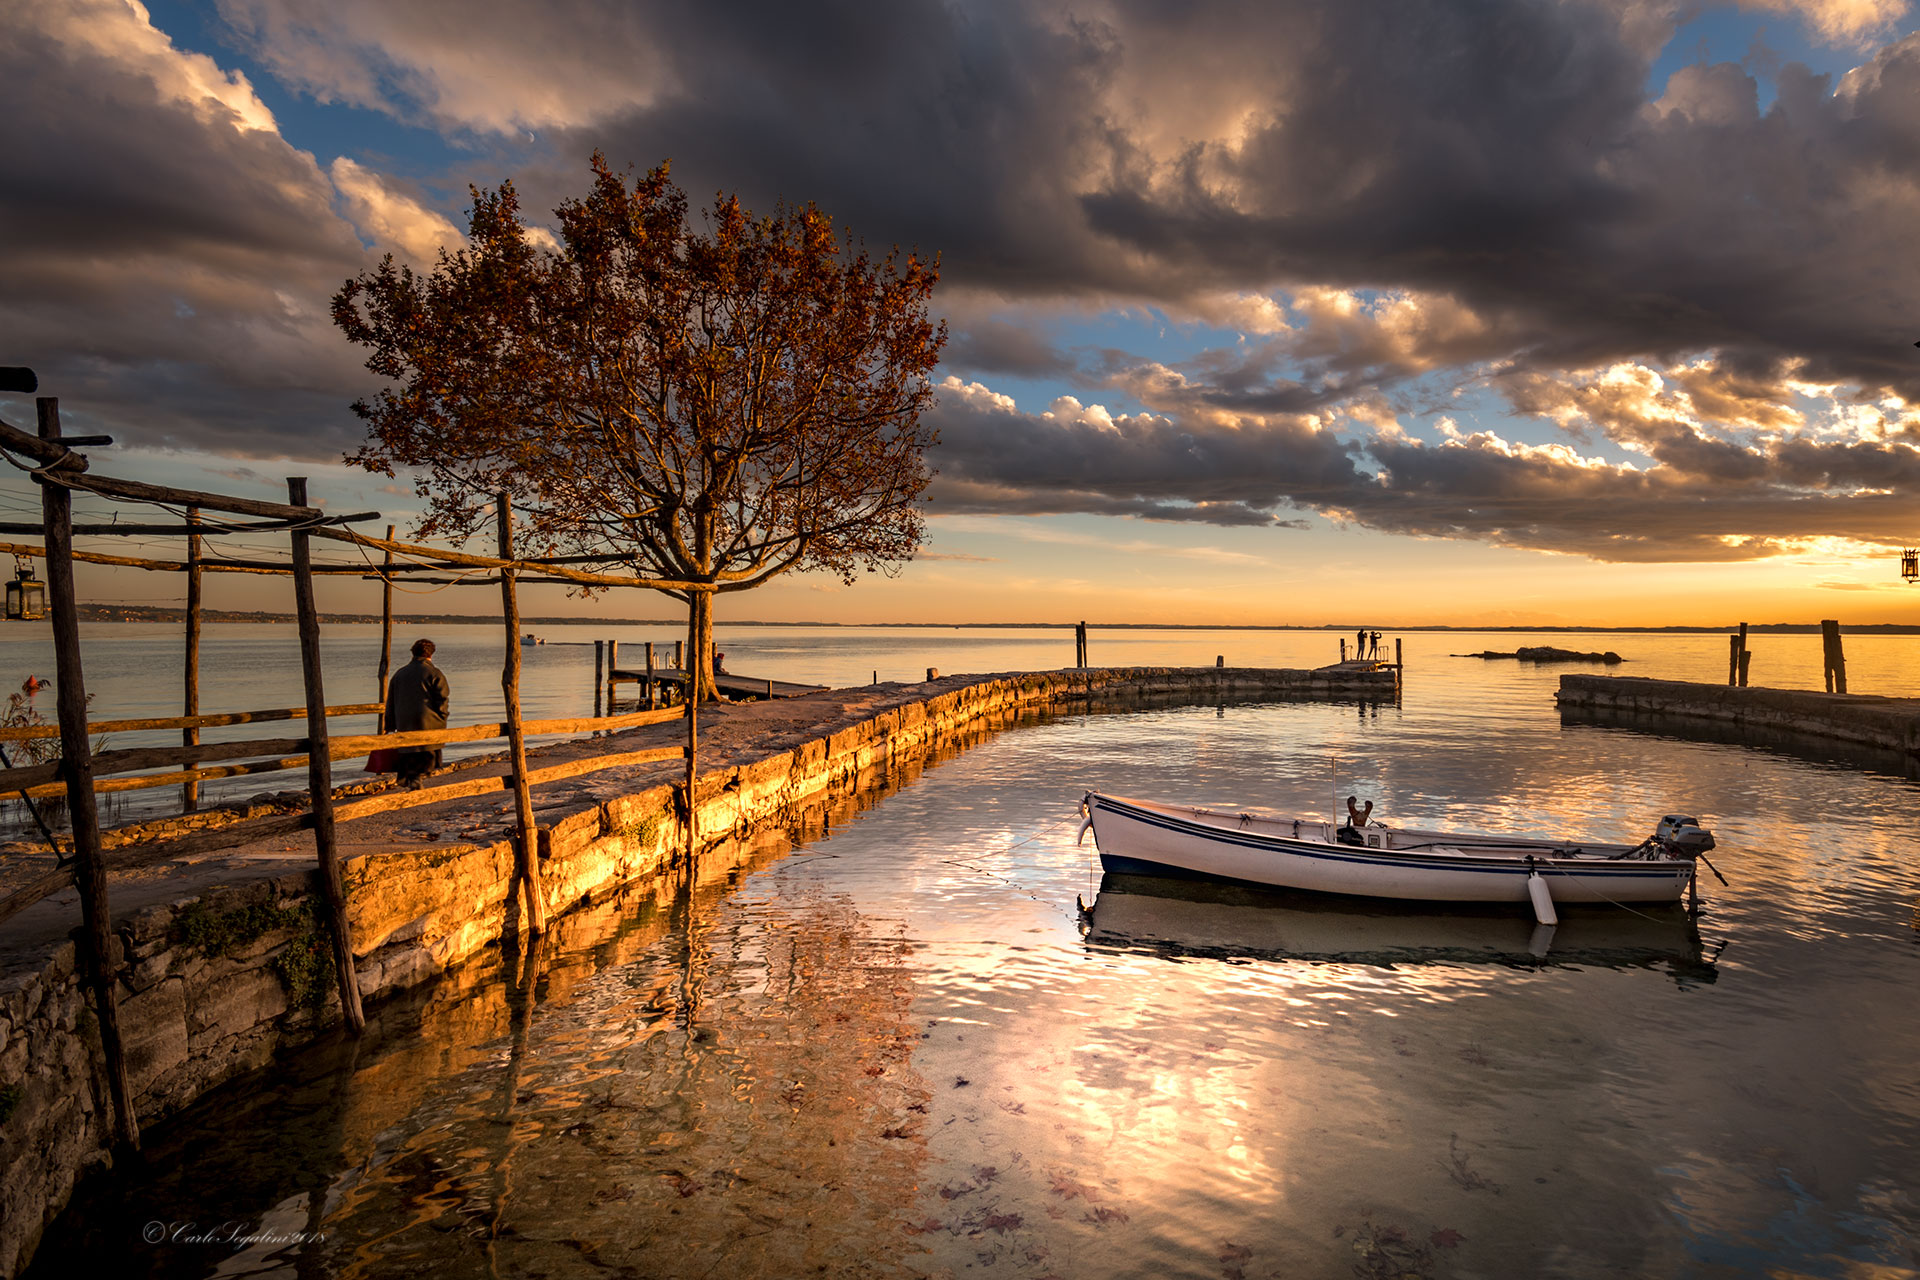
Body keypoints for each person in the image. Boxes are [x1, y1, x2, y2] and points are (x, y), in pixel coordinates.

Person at [384, 638, 450, 789]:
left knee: (410, 755)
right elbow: (442, 699)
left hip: (404, 724)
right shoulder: (434, 673)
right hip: (429, 724)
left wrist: (390, 724)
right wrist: (442, 716)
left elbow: (391, 702)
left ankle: (413, 781)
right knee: (425, 757)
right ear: (431, 654)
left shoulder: (399, 674)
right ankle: (416, 783)